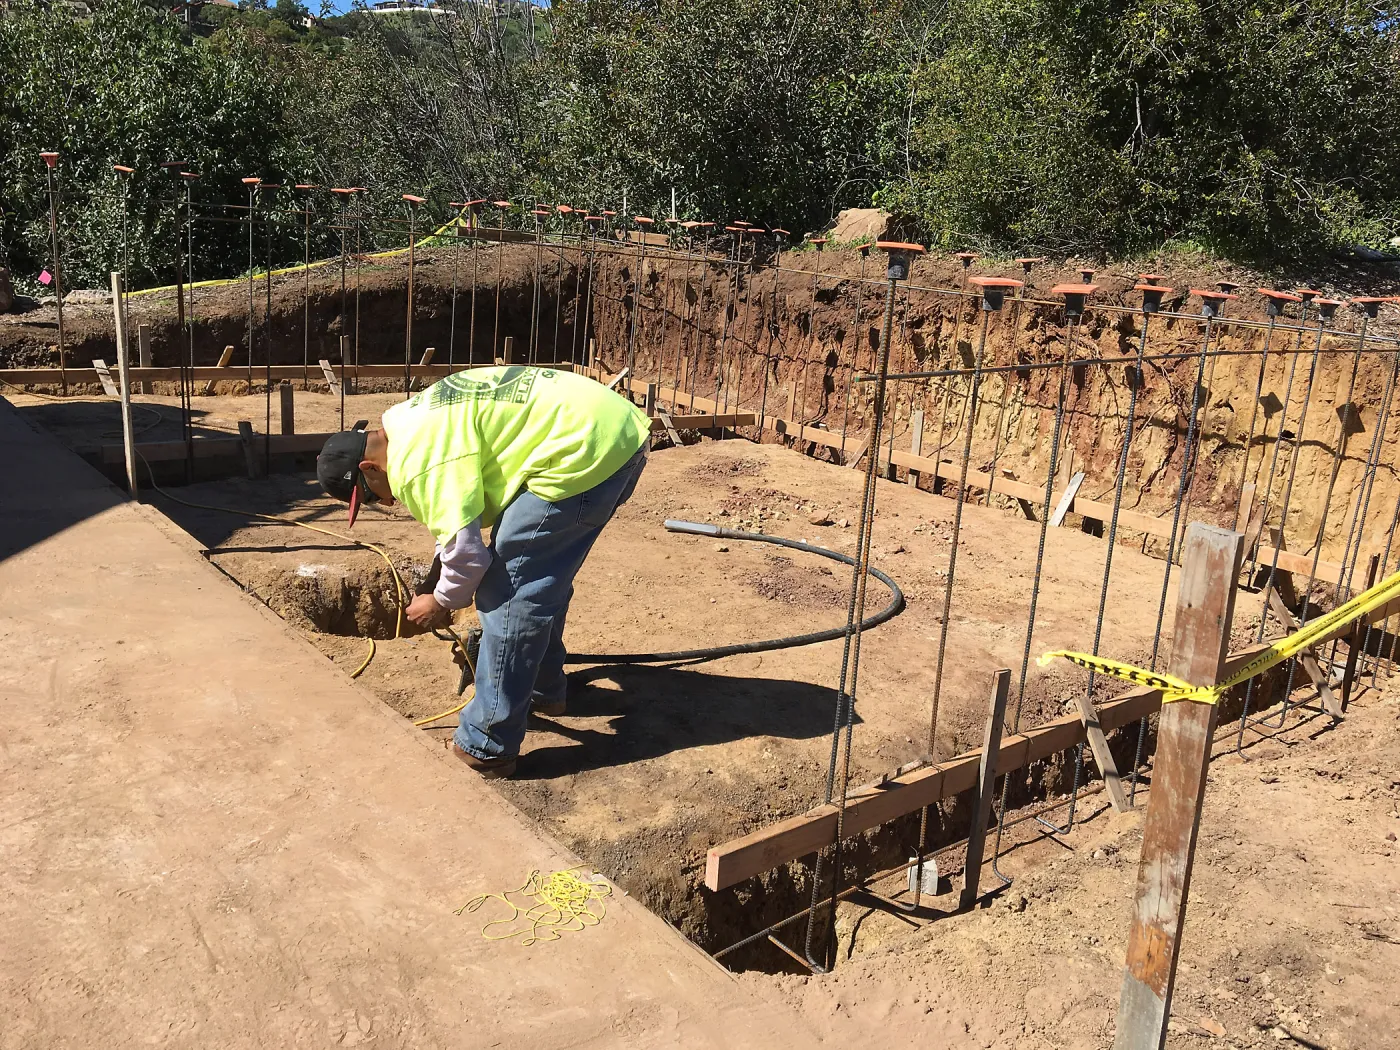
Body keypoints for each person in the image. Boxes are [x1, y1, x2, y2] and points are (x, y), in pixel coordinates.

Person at [316, 365, 651, 778]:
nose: (384, 504)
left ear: (370, 468)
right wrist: (438, 578)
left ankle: (486, 743)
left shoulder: (417, 466)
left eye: (369, 497)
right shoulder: (413, 422)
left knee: (508, 592)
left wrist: (440, 601)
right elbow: (458, 520)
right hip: (610, 431)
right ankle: (544, 691)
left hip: (581, 450)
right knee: (542, 573)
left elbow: (471, 557)